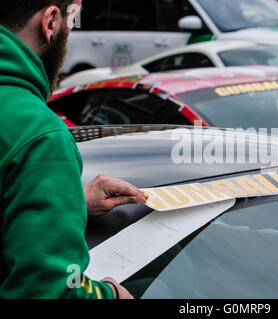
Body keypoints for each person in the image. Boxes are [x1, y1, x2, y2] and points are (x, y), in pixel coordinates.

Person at [0, 0, 148, 299]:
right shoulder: (40, 134)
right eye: (72, 20)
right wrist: (113, 295)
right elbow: (49, 291)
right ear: (51, 22)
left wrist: (71, 203)